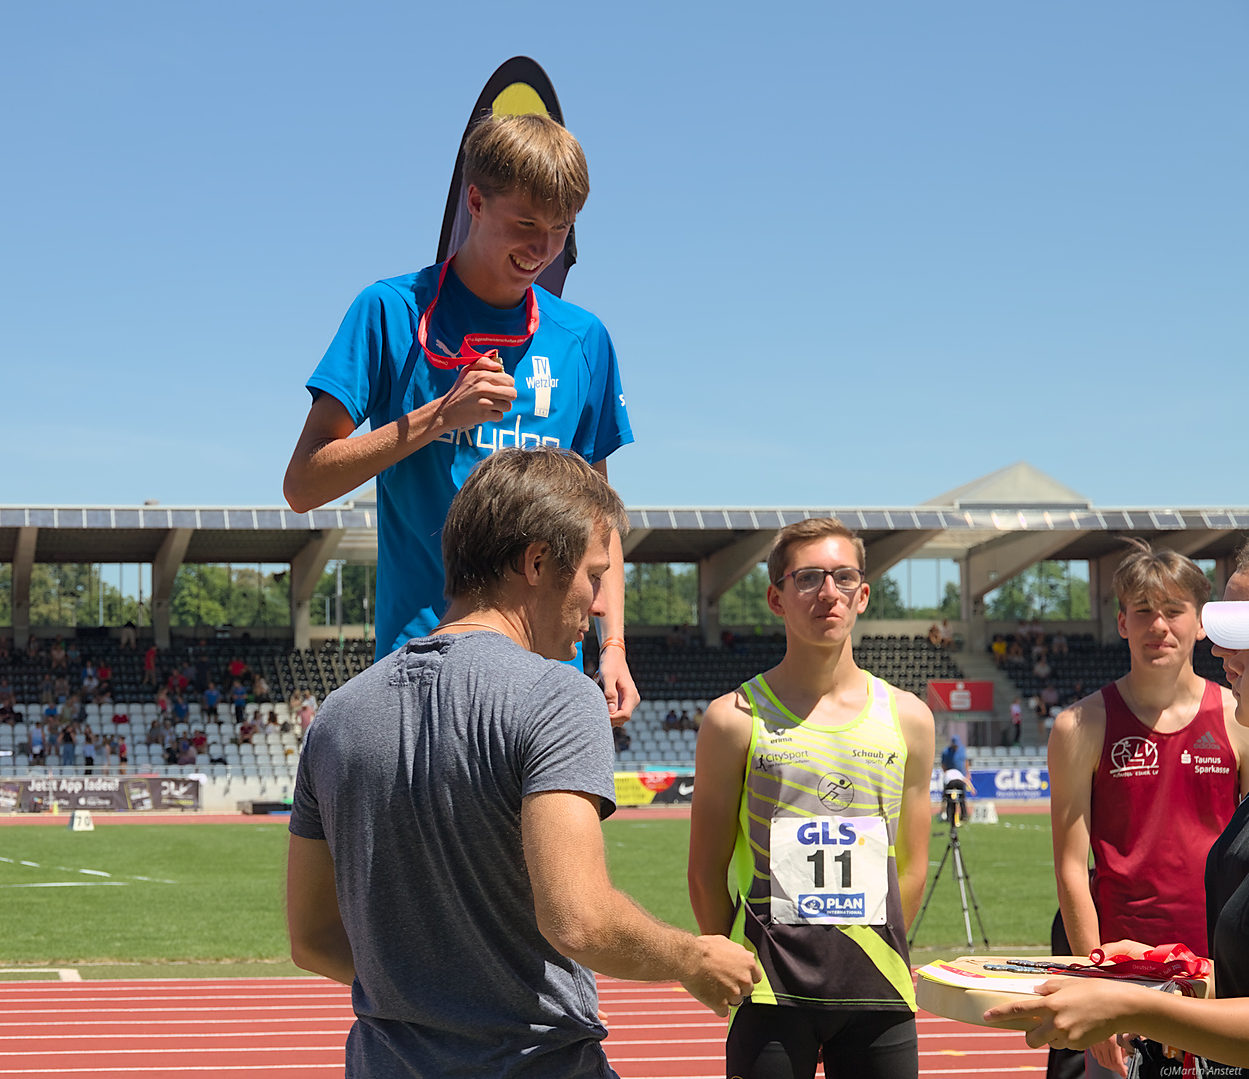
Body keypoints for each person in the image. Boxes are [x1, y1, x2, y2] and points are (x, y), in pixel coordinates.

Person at [287, 448, 757, 1078]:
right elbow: (580, 920)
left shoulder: (338, 716)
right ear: (537, 562)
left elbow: (312, 938)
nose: (597, 605)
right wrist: (693, 958)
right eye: (594, 576)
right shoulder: (556, 695)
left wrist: (432, 991)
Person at [283, 111, 638, 725]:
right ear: (474, 200)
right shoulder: (390, 310)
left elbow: (598, 516)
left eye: (561, 228)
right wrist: (438, 417)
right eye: (524, 224)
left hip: (551, 672)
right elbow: (303, 484)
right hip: (424, 660)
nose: (542, 249)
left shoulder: (585, 338)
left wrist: (613, 645)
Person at [687, 516, 935, 1079]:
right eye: (808, 579)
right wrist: (725, 956)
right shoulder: (732, 720)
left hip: (878, 987)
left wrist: (868, 944)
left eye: (843, 578)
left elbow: (912, 867)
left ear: (863, 595)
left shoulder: (910, 720)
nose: (828, 593)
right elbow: (706, 870)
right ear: (776, 598)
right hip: (771, 992)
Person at [985, 555, 1249, 1071]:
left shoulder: (1237, 719)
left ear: (1200, 621)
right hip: (1113, 968)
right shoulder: (1080, 725)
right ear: (1121, 622)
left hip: (1213, 973)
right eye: (1143, 610)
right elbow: (1069, 867)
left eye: (1173, 610)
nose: (1158, 625)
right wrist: (1095, 978)